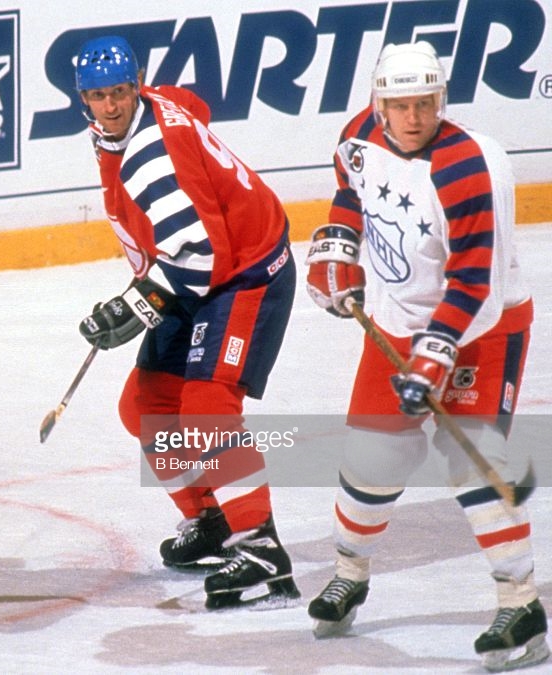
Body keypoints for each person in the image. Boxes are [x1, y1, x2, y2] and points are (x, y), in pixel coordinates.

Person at [304, 41, 548, 671]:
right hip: (393, 323)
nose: (413, 118)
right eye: (400, 105)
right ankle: (349, 573)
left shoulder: (472, 166)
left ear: (442, 100)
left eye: (425, 104)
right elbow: (350, 191)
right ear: (378, 104)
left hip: (482, 332)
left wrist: (432, 359)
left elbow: (475, 282)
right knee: (370, 462)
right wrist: (336, 249)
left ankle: (519, 603)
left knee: (476, 467)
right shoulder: (359, 136)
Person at [72, 36, 299, 609]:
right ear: (85, 99)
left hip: (245, 274)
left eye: (120, 92)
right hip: (195, 273)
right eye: (98, 95)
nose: (111, 105)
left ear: (136, 83)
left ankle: (260, 546)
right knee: (145, 407)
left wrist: (136, 304)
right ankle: (212, 519)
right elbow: (191, 104)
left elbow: (202, 259)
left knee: (205, 407)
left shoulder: (149, 158)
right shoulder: (151, 107)